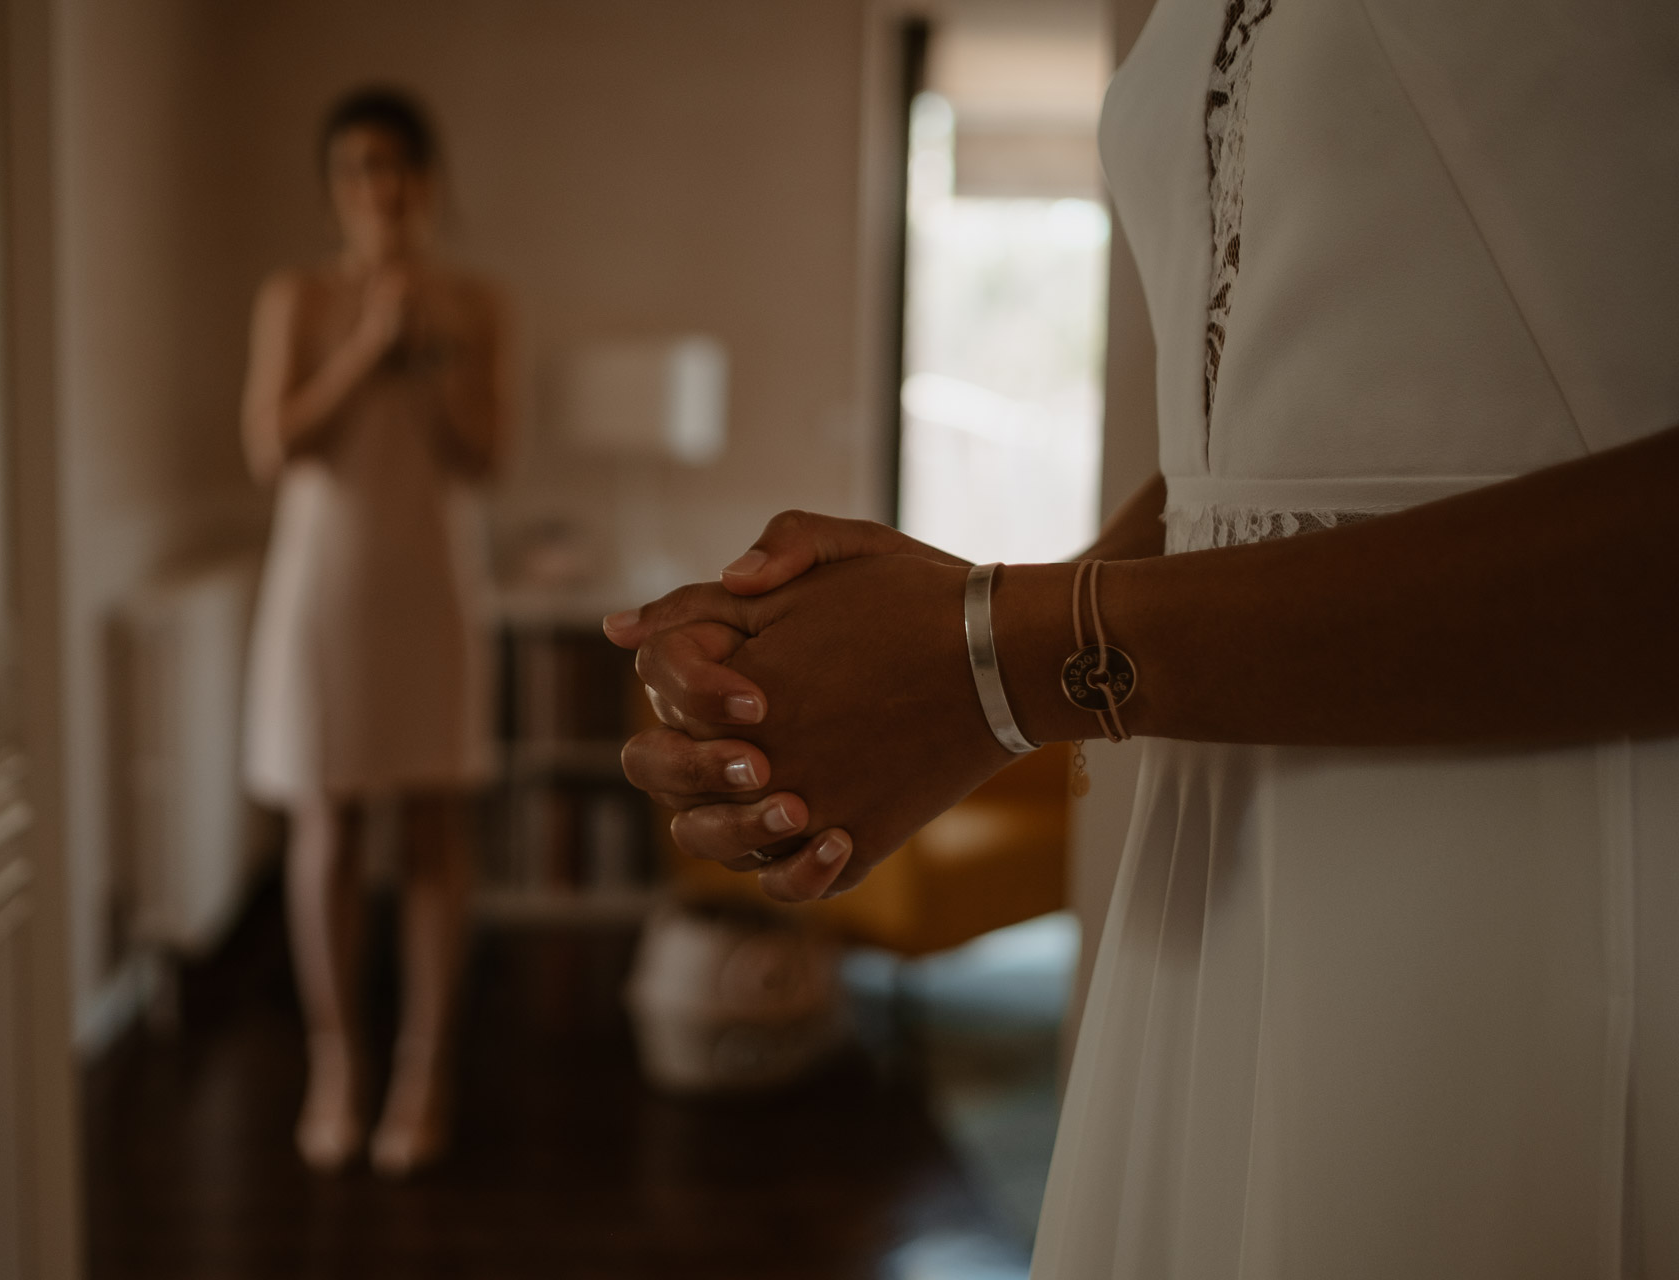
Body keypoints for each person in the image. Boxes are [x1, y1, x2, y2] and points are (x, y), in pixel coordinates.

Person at [605, 3, 1678, 1276]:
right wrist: (949, 651)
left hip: (1551, 855)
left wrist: (1001, 656)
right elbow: (1241, 461)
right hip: (1224, 849)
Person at [240, 87, 509, 1177]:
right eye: (355, 168)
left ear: (428, 179)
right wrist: (365, 344)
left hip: (430, 581)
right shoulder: (294, 295)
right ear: (332, 190)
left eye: (396, 165)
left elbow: (485, 456)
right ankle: (335, 1061)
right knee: (330, 823)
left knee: (435, 825)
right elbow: (270, 446)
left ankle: (423, 1066)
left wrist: (430, 350)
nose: (379, 187)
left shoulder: (478, 302)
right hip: (324, 586)